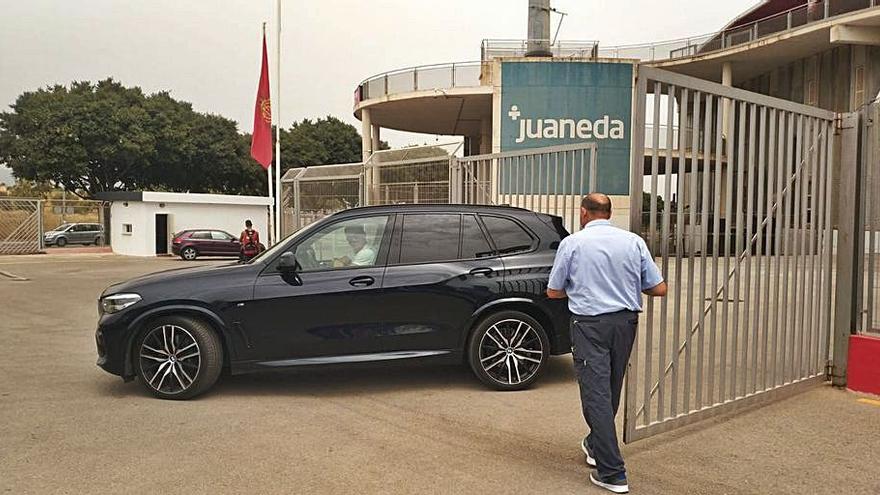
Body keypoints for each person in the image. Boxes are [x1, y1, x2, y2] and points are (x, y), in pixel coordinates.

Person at [546, 193, 667, 494]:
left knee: (596, 393)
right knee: (610, 387)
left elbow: (553, 291)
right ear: (610, 213)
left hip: (589, 325)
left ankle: (612, 473)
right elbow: (659, 288)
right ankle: (593, 443)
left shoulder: (573, 243)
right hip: (625, 324)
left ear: (584, 213)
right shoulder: (633, 242)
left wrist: (581, 288)